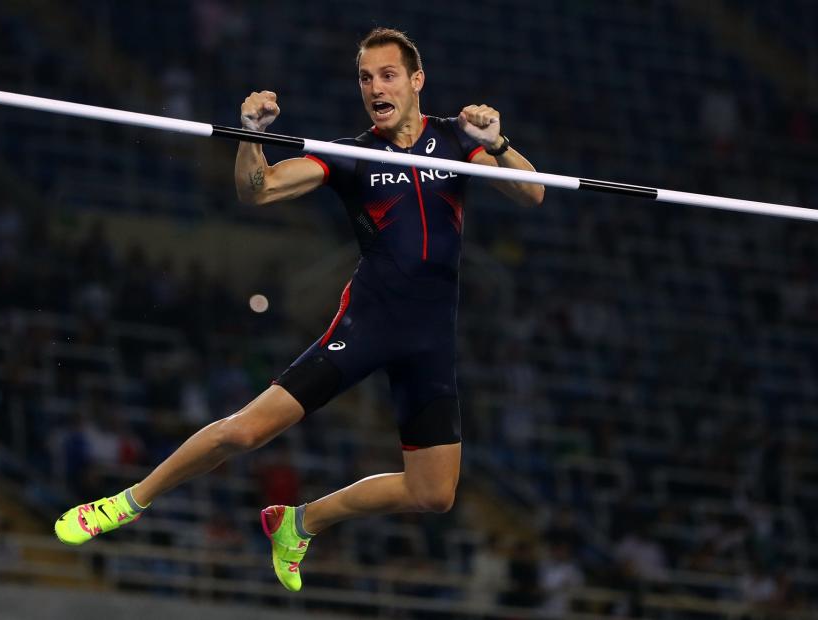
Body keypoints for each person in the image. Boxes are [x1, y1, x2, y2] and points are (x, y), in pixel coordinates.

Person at [54, 27, 544, 592]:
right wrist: (251, 136)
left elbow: (533, 193)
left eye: (387, 75)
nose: (374, 88)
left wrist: (500, 143)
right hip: (367, 327)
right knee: (243, 434)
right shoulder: (349, 156)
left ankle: (299, 522)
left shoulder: (460, 141)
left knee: (433, 495)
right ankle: (125, 502)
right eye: (365, 78)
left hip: (430, 342)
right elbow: (257, 191)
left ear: (416, 81)